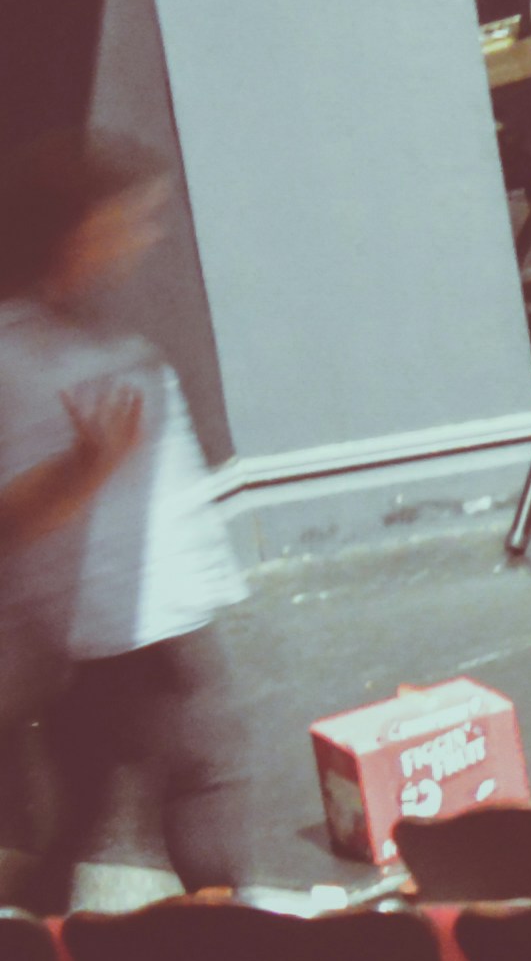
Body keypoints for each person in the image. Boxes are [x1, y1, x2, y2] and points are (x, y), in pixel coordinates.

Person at [0, 129, 340, 912]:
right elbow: (12, 516)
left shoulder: (90, 334)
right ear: (73, 231)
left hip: (130, 627)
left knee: (93, 808)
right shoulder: (21, 357)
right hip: (126, 632)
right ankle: (230, 960)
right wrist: (83, 469)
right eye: (123, 220)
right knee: (203, 779)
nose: (138, 238)